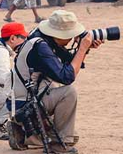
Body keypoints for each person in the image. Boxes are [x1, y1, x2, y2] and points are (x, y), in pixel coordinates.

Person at [8, 10, 103, 154]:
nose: (72, 38)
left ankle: (23, 132)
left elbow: (70, 62)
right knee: (68, 93)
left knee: (72, 135)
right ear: (60, 35)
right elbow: (67, 76)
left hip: (21, 103)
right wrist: (82, 48)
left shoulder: (41, 37)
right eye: (70, 35)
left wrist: (84, 50)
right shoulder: (42, 47)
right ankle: (58, 146)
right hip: (26, 105)